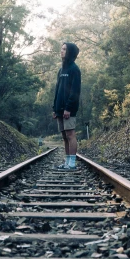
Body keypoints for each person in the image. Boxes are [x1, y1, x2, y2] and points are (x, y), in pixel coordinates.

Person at [52, 41, 81, 170]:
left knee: (70, 135)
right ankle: (67, 163)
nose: (61, 51)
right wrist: (55, 108)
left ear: (70, 52)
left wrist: (68, 108)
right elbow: (57, 89)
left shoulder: (74, 69)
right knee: (64, 137)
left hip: (69, 109)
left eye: (64, 49)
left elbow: (75, 91)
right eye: (61, 48)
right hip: (59, 109)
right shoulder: (61, 70)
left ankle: (72, 163)